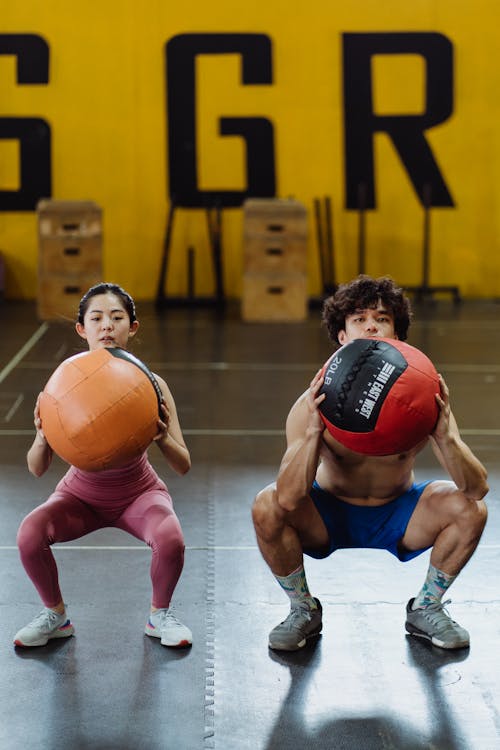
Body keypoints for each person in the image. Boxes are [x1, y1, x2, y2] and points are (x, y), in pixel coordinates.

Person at [252, 275, 489, 651]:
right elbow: (289, 498)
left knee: (471, 509)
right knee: (266, 503)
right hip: (328, 516)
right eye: (359, 318)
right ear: (342, 336)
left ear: (398, 336)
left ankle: (427, 607)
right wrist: (315, 433)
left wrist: (444, 436)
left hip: (400, 512)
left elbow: (476, 488)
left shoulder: (426, 398)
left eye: (382, 318)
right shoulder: (310, 404)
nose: (371, 325)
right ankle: (302, 609)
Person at [14, 282, 192, 649]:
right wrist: (43, 436)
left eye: (116, 317)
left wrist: (161, 436)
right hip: (80, 496)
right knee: (29, 534)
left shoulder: (153, 385)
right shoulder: (61, 386)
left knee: (170, 538)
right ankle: (55, 616)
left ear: (133, 327)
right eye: (96, 319)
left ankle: (159, 616)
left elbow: (183, 464)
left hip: (138, 494)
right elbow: (36, 468)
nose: (106, 326)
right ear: (82, 329)